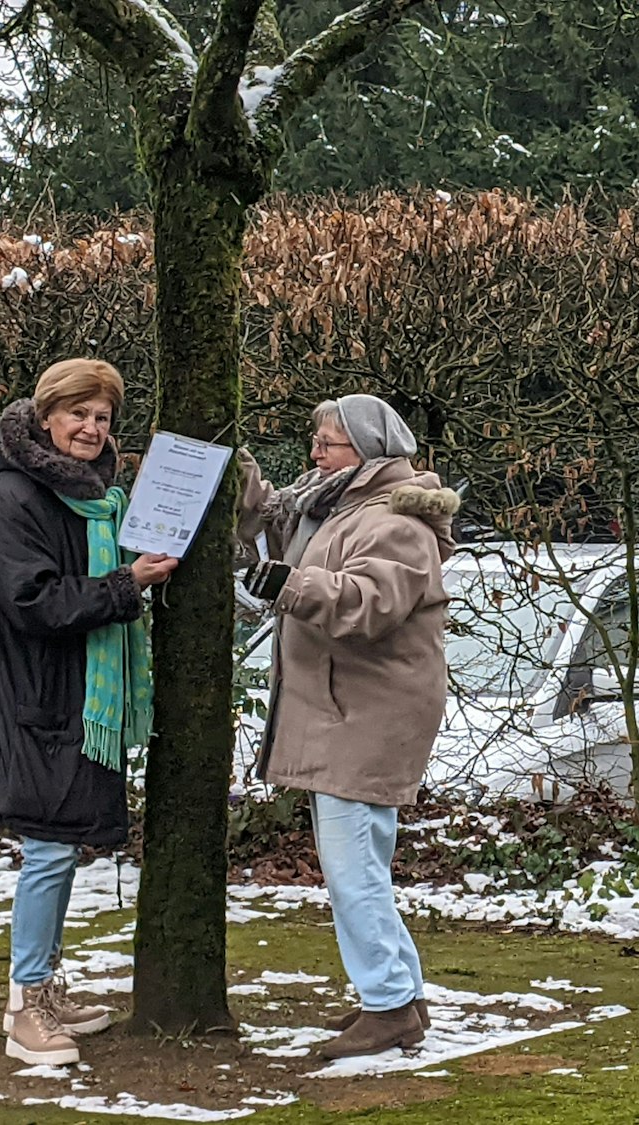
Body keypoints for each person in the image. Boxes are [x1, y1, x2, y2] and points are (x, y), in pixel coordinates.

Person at [0, 359, 177, 1066]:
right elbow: (37, 603)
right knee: (47, 851)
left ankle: (44, 984)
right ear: (46, 417)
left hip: (63, 701)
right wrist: (124, 583)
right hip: (32, 704)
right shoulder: (15, 497)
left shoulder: (93, 500)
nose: (91, 428)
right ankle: (25, 1008)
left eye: (103, 417)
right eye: (79, 413)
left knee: (59, 847)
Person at [238, 394, 458, 1061]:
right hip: (347, 709)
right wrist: (231, 463)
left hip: (365, 713)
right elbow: (275, 515)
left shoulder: (397, 522)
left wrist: (284, 584)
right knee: (360, 862)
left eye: (328, 443)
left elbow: (367, 605)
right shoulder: (334, 506)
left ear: (366, 452)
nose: (315, 451)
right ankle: (401, 994)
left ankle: (389, 1005)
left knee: (350, 867)